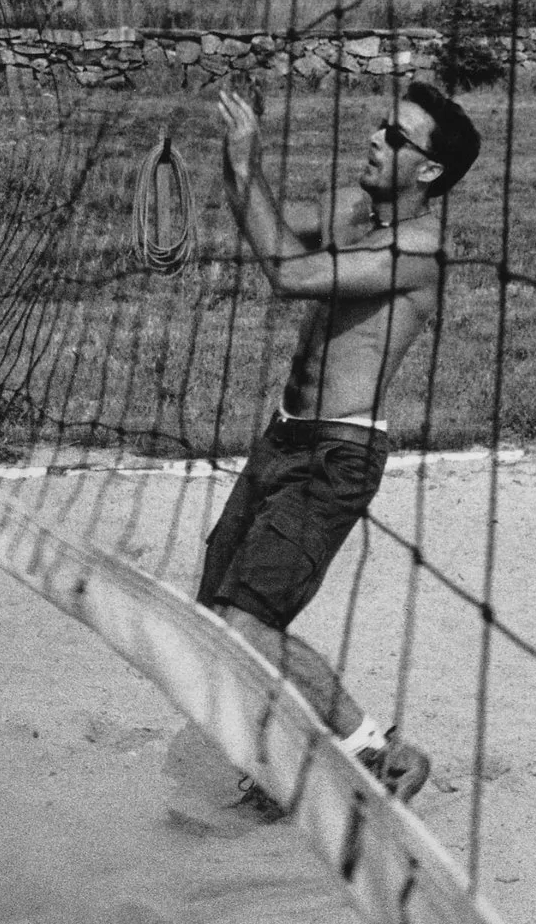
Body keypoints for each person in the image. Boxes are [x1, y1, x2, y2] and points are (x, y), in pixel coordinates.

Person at [188, 82, 480, 805]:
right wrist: (233, 161)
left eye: (397, 137)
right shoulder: (354, 209)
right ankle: (286, 763)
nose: (376, 139)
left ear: (430, 171)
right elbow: (273, 224)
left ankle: (382, 753)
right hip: (282, 440)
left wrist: (249, 161)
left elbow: (290, 274)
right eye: (382, 126)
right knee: (214, 621)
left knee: (247, 623)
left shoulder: (421, 246)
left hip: (335, 458)